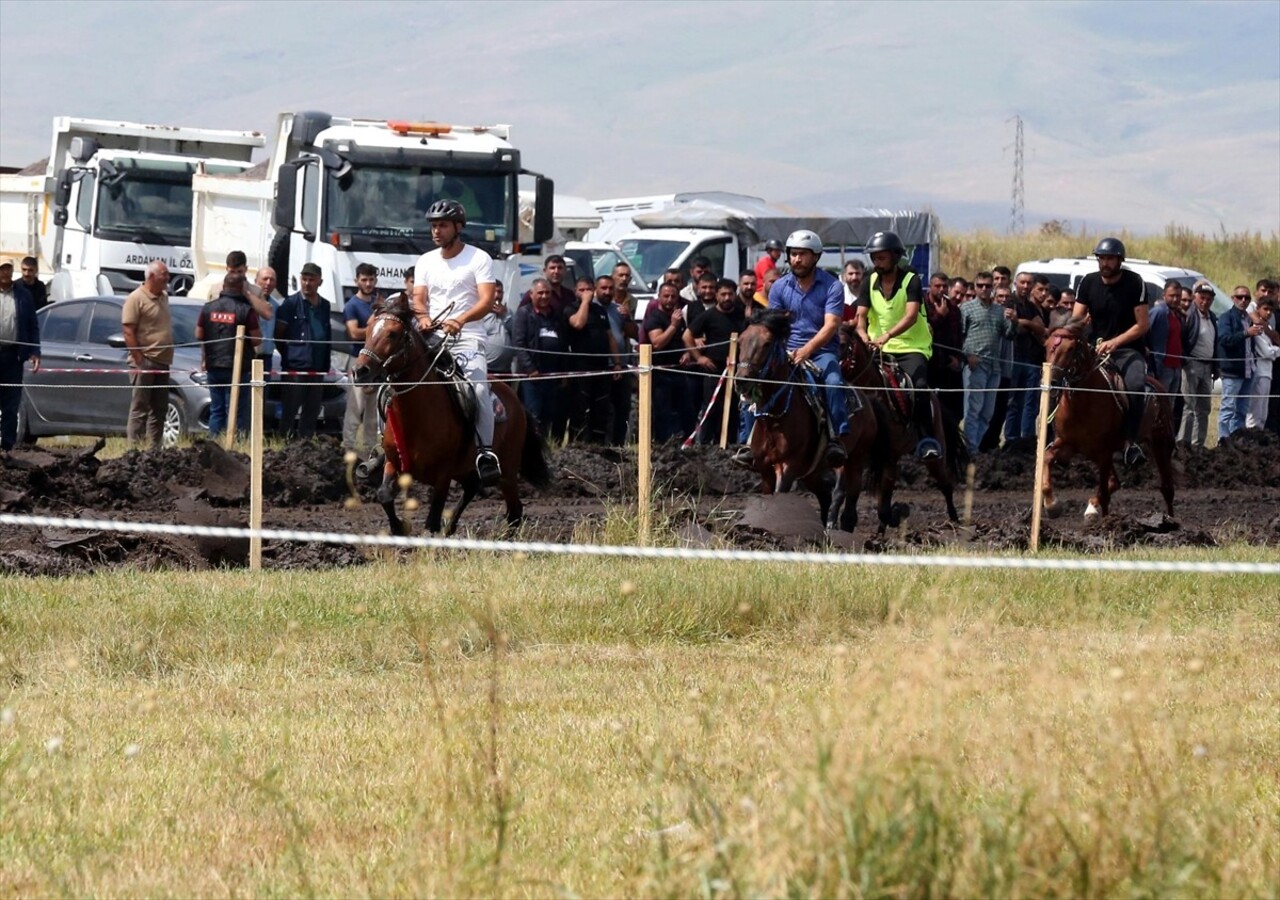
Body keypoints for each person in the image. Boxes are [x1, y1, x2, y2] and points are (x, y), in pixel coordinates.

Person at [411, 198, 502, 485]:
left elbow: (487, 300)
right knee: (394, 382)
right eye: (434, 226)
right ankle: (383, 449)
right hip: (432, 337)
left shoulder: (478, 258)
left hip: (468, 337)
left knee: (476, 390)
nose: (436, 231)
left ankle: (485, 453)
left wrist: (460, 320)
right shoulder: (425, 260)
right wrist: (424, 318)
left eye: (443, 226)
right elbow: (418, 298)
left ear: (458, 227)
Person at [853, 230, 940, 460]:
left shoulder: (911, 280)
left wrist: (887, 335)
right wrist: (863, 335)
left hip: (911, 347)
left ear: (895, 257)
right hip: (876, 347)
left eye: (881, 257)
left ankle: (926, 438)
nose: (876, 262)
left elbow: (911, 316)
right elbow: (861, 316)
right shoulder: (868, 281)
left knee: (919, 387)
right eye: (874, 258)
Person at [767, 228, 849, 466]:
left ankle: (837, 437)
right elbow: (774, 325)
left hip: (822, 353)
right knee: (755, 381)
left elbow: (831, 325)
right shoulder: (779, 287)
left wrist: (806, 351)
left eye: (803, 254)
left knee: (834, 382)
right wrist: (786, 351)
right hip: (786, 352)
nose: (797, 259)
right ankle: (747, 443)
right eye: (793, 254)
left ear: (816, 256)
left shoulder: (832, 286)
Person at [1071, 237, 1150, 466]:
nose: (1104, 263)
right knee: (1062, 379)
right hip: (1093, 349)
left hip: (1127, 351)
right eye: (1101, 258)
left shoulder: (1135, 282)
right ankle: (1059, 436)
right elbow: (1076, 318)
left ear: (1119, 260)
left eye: (1109, 259)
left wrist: (1115, 342)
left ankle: (1130, 442)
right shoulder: (1087, 282)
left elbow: (1142, 325)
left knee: (1135, 385)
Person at [197, 270, 261, 439]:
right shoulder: (246, 310)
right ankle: (237, 443)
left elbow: (198, 334)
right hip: (238, 368)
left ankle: (214, 443)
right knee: (238, 410)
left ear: (224, 287)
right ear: (241, 288)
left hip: (214, 365)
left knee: (217, 410)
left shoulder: (208, 308)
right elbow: (256, 340)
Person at [275, 262, 333, 440]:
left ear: (320, 282)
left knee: (312, 409)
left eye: (311, 279)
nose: (307, 283)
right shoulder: (290, 303)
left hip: (318, 366)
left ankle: (305, 444)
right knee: (290, 409)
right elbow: (279, 336)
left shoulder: (325, 305)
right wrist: (292, 355)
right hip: (296, 367)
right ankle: (283, 442)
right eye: (304, 279)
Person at [686, 277, 747, 443]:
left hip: (736, 370)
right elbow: (687, 336)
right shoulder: (708, 315)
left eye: (730, 294)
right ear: (717, 296)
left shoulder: (741, 315)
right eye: (723, 294)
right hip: (713, 370)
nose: (727, 298)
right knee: (711, 409)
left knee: (733, 409)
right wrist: (699, 358)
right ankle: (704, 446)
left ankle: (728, 445)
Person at [959, 274, 1014, 457]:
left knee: (987, 413)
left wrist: (1013, 321)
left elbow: (1009, 335)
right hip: (976, 364)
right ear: (974, 287)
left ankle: (974, 446)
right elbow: (959, 335)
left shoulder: (1000, 310)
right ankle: (970, 450)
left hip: (995, 366)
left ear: (993, 287)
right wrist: (968, 355)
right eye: (980, 285)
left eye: (987, 286)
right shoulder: (966, 308)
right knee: (973, 410)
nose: (984, 289)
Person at [121, 260, 174, 448]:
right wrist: (139, 360)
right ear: (152, 276)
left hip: (163, 362)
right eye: (164, 274)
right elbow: (128, 331)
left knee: (159, 409)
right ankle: (134, 450)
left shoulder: (164, 297)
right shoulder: (135, 299)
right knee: (140, 408)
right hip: (145, 362)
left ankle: (154, 450)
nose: (168, 278)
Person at [511, 277, 570, 442]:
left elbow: (564, 345)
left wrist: (563, 372)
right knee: (533, 414)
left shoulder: (556, 316)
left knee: (549, 414)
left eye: (547, 293)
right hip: (533, 377)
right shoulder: (524, 314)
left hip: (553, 375)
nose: (544, 296)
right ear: (531, 294)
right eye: (540, 293)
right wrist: (530, 369)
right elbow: (519, 344)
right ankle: (533, 447)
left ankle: (546, 446)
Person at [567, 274, 622, 443]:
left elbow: (610, 337)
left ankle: (598, 443)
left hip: (602, 367)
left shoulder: (599, 310)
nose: (586, 293)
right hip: (581, 368)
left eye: (589, 290)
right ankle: (576, 443)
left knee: (601, 408)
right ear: (576, 292)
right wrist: (584, 302)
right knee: (580, 408)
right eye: (582, 290)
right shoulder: (571, 308)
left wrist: (617, 362)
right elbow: (578, 323)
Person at [641, 281, 694, 442]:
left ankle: (686, 442)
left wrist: (687, 353)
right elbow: (657, 343)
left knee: (687, 412)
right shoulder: (654, 318)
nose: (670, 300)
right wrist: (672, 326)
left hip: (678, 371)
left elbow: (683, 339)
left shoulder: (678, 317)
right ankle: (661, 444)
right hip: (660, 373)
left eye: (673, 296)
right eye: (666, 296)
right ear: (659, 297)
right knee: (662, 413)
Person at [0, 257, 41, 452]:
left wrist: (34, 351)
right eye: (2, 269)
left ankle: (7, 447)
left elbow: (33, 325)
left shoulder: (23, 295)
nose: (5, 273)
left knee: (11, 403)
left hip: (13, 356)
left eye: (8, 269)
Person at [342, 262, 379, 455]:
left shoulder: (377, 303)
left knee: (373, 410)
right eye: (364, 279)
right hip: (358, 359)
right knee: (355, 407)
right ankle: (348, 445)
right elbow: (354, 333)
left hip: (374, 363)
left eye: (371, 279)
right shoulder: (352, 305)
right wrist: (374, 328)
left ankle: (370, 448)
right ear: (357, 280)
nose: (368, 283)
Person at [1215, 285, 1260, 439]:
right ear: (1233, 298)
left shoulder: (1248, 318)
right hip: (1232, 371)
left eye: (1247, 297)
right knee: (1228, 408)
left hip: (1248, 369)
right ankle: (1223, 440)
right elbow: (1224, 339)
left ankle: (1237, 440)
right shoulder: (1226, 317)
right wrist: (1246, 333)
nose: (1243, 300)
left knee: (1242, 410)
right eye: (1240, 297)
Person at [1178, 282, 1218, 448]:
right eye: (1202, 298)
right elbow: (1182, 340)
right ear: (1195, 297)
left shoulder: (1212, 317)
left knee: (1204, 407)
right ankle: (1183, 443)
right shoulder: (1189, 316)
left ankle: (1198, 444)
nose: (1205, 302)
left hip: (1207, 366)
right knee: (1189, 405)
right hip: (1192, 363)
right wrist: (1185, 360)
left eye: (1208, 299)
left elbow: (1215, 343)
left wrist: (1216, 367)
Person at [927, 274, 966, 427]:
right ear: (930, 286)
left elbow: (956, 337)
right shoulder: (922, 305)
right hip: (931, 364)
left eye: (944, 286)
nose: (941, 289)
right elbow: (926, 331)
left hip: (950, 365)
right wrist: (939, 316)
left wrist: (957, 358)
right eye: (937, 286)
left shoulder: (954, 309)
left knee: (955, 409)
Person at [1246, 293, 1278, 430]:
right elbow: (1266, 351)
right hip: (1259, 371)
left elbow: (1271, 351)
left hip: (1268, 371)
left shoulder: (1268, 327)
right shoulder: (1255, 326)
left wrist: (1273, 351)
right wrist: (1275, 351)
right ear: (1258, 308)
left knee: (1263, 412)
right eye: (1265, 309)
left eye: (1271, 310)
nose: (1268, 313)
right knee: (1255, 411)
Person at [1146, 281, 1185, 395]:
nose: (1175, 299)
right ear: (1164, 295)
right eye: (1172, 296)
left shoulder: (1177, 314)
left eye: (1178, 296)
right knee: (1160, 403)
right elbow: (1145, 332)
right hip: (1162, 366)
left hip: (1175, 366)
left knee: (1170, 406)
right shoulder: (1159, 312)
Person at [253, 266, 284, 369]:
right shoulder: (247, 302)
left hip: (267, 358)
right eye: (265, 279)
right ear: (256, 280)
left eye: (272, 280)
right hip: (249, 357)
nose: (268, 283)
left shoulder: (276, 306)